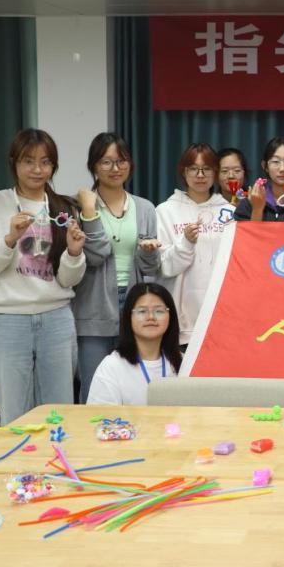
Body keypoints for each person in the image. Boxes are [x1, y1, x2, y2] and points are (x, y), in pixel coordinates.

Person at [0, 128, 86, 424]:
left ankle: (55, 456)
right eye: (28, 161)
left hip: (56, 318)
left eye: (45, 162)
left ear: (53, 166)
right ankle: (17, 458)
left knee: (59, 414)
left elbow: (69, 280)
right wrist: (9, 239)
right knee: (14, 416)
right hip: (7, 319)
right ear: (14, 162)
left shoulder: (64, 209)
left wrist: (73, 253)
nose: (37, 169)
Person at [72, 132, 161, 403]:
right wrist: (90, 212)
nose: (115, 168)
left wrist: (148, 252)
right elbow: (96, 255)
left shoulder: (144, 208)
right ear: (93, 166)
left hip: (134, 304)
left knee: (135, 385)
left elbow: (150, 267)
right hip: (93, 306)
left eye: (122, 161)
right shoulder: (79, 207)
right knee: (94, 389)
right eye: (106, 162)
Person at [156, 143, 234, 348]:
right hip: (181, 321)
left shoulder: (230, 212)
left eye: (207, 168)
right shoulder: (165, 211)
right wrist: (186, 242)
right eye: (193, 169)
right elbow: (164, 267)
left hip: (221, 316)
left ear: (215, 172)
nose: (200, 175)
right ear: (184, 172)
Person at [86, 283, 181, 406]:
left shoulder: (184, 363)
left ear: (171, 316)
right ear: (128, 317)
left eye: (159, 311)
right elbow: (100, 416)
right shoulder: (112, 366)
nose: (151, 317)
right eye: (142, 311)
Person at [234, 137, 284, 223]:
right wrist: (257, 209)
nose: (282, 169)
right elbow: (245, 232)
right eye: (276, 161)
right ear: (265, 166)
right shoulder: (251, 201)